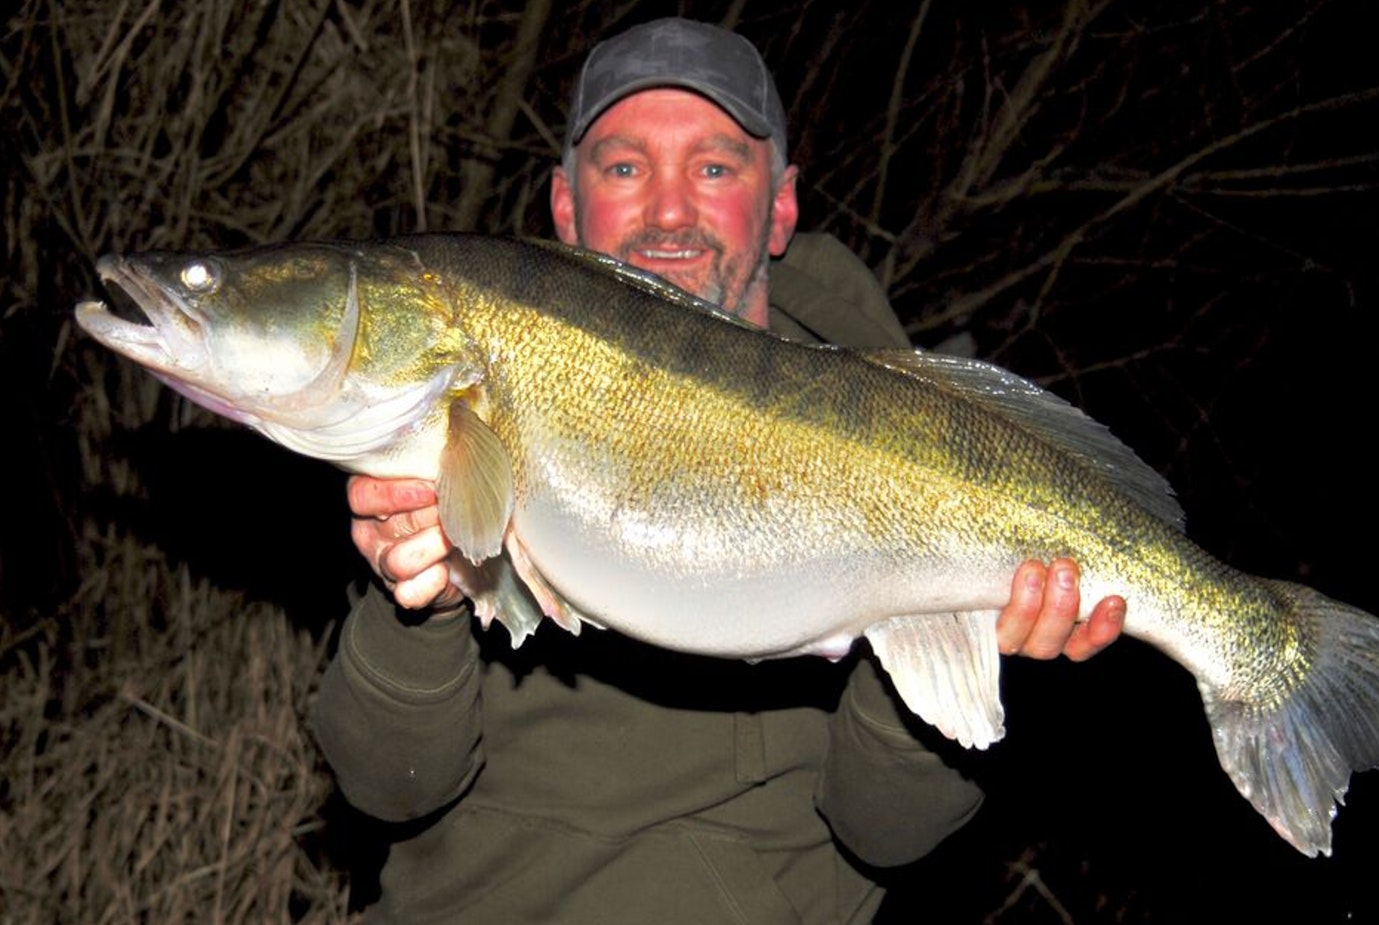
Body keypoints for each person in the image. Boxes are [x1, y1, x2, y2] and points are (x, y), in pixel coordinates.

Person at [312, 17, 1126, 924]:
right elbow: (388, 787)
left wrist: (980, 641)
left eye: (713, 168)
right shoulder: (478, 403)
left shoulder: (908, 436)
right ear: (565, 206)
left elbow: (886, 833)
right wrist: (421, 606)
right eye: (624, 168)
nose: (667, 211)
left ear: (779, 205)